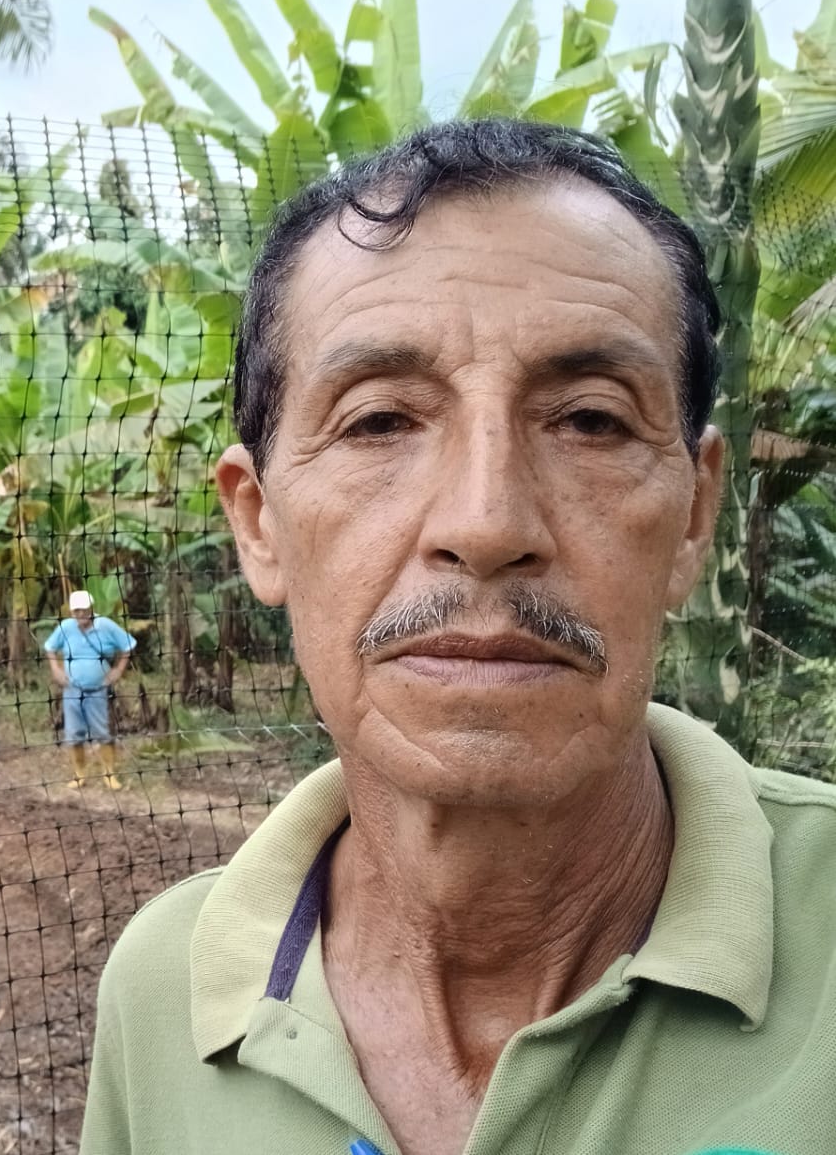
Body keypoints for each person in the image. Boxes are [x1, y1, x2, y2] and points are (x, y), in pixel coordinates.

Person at [81, 118, 836, 1155]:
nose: (486, 524)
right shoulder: (163, 991)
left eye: (591, 420)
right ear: (258, 523)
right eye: (379, 421)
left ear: (694, 517)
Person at [43, 590, 136, 789]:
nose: (81, 614)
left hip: (98, 690)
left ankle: (109, 774)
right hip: (72, 690)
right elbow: (50, 647)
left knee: (103, 732)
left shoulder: (106, 625)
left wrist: (119, 669)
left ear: (91, 608)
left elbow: (128, 645)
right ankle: (79, 775)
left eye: (84, 609)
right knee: (73, 734)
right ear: (71, 612)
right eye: (76, 610)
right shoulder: (66, 627)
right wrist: (55, 669)